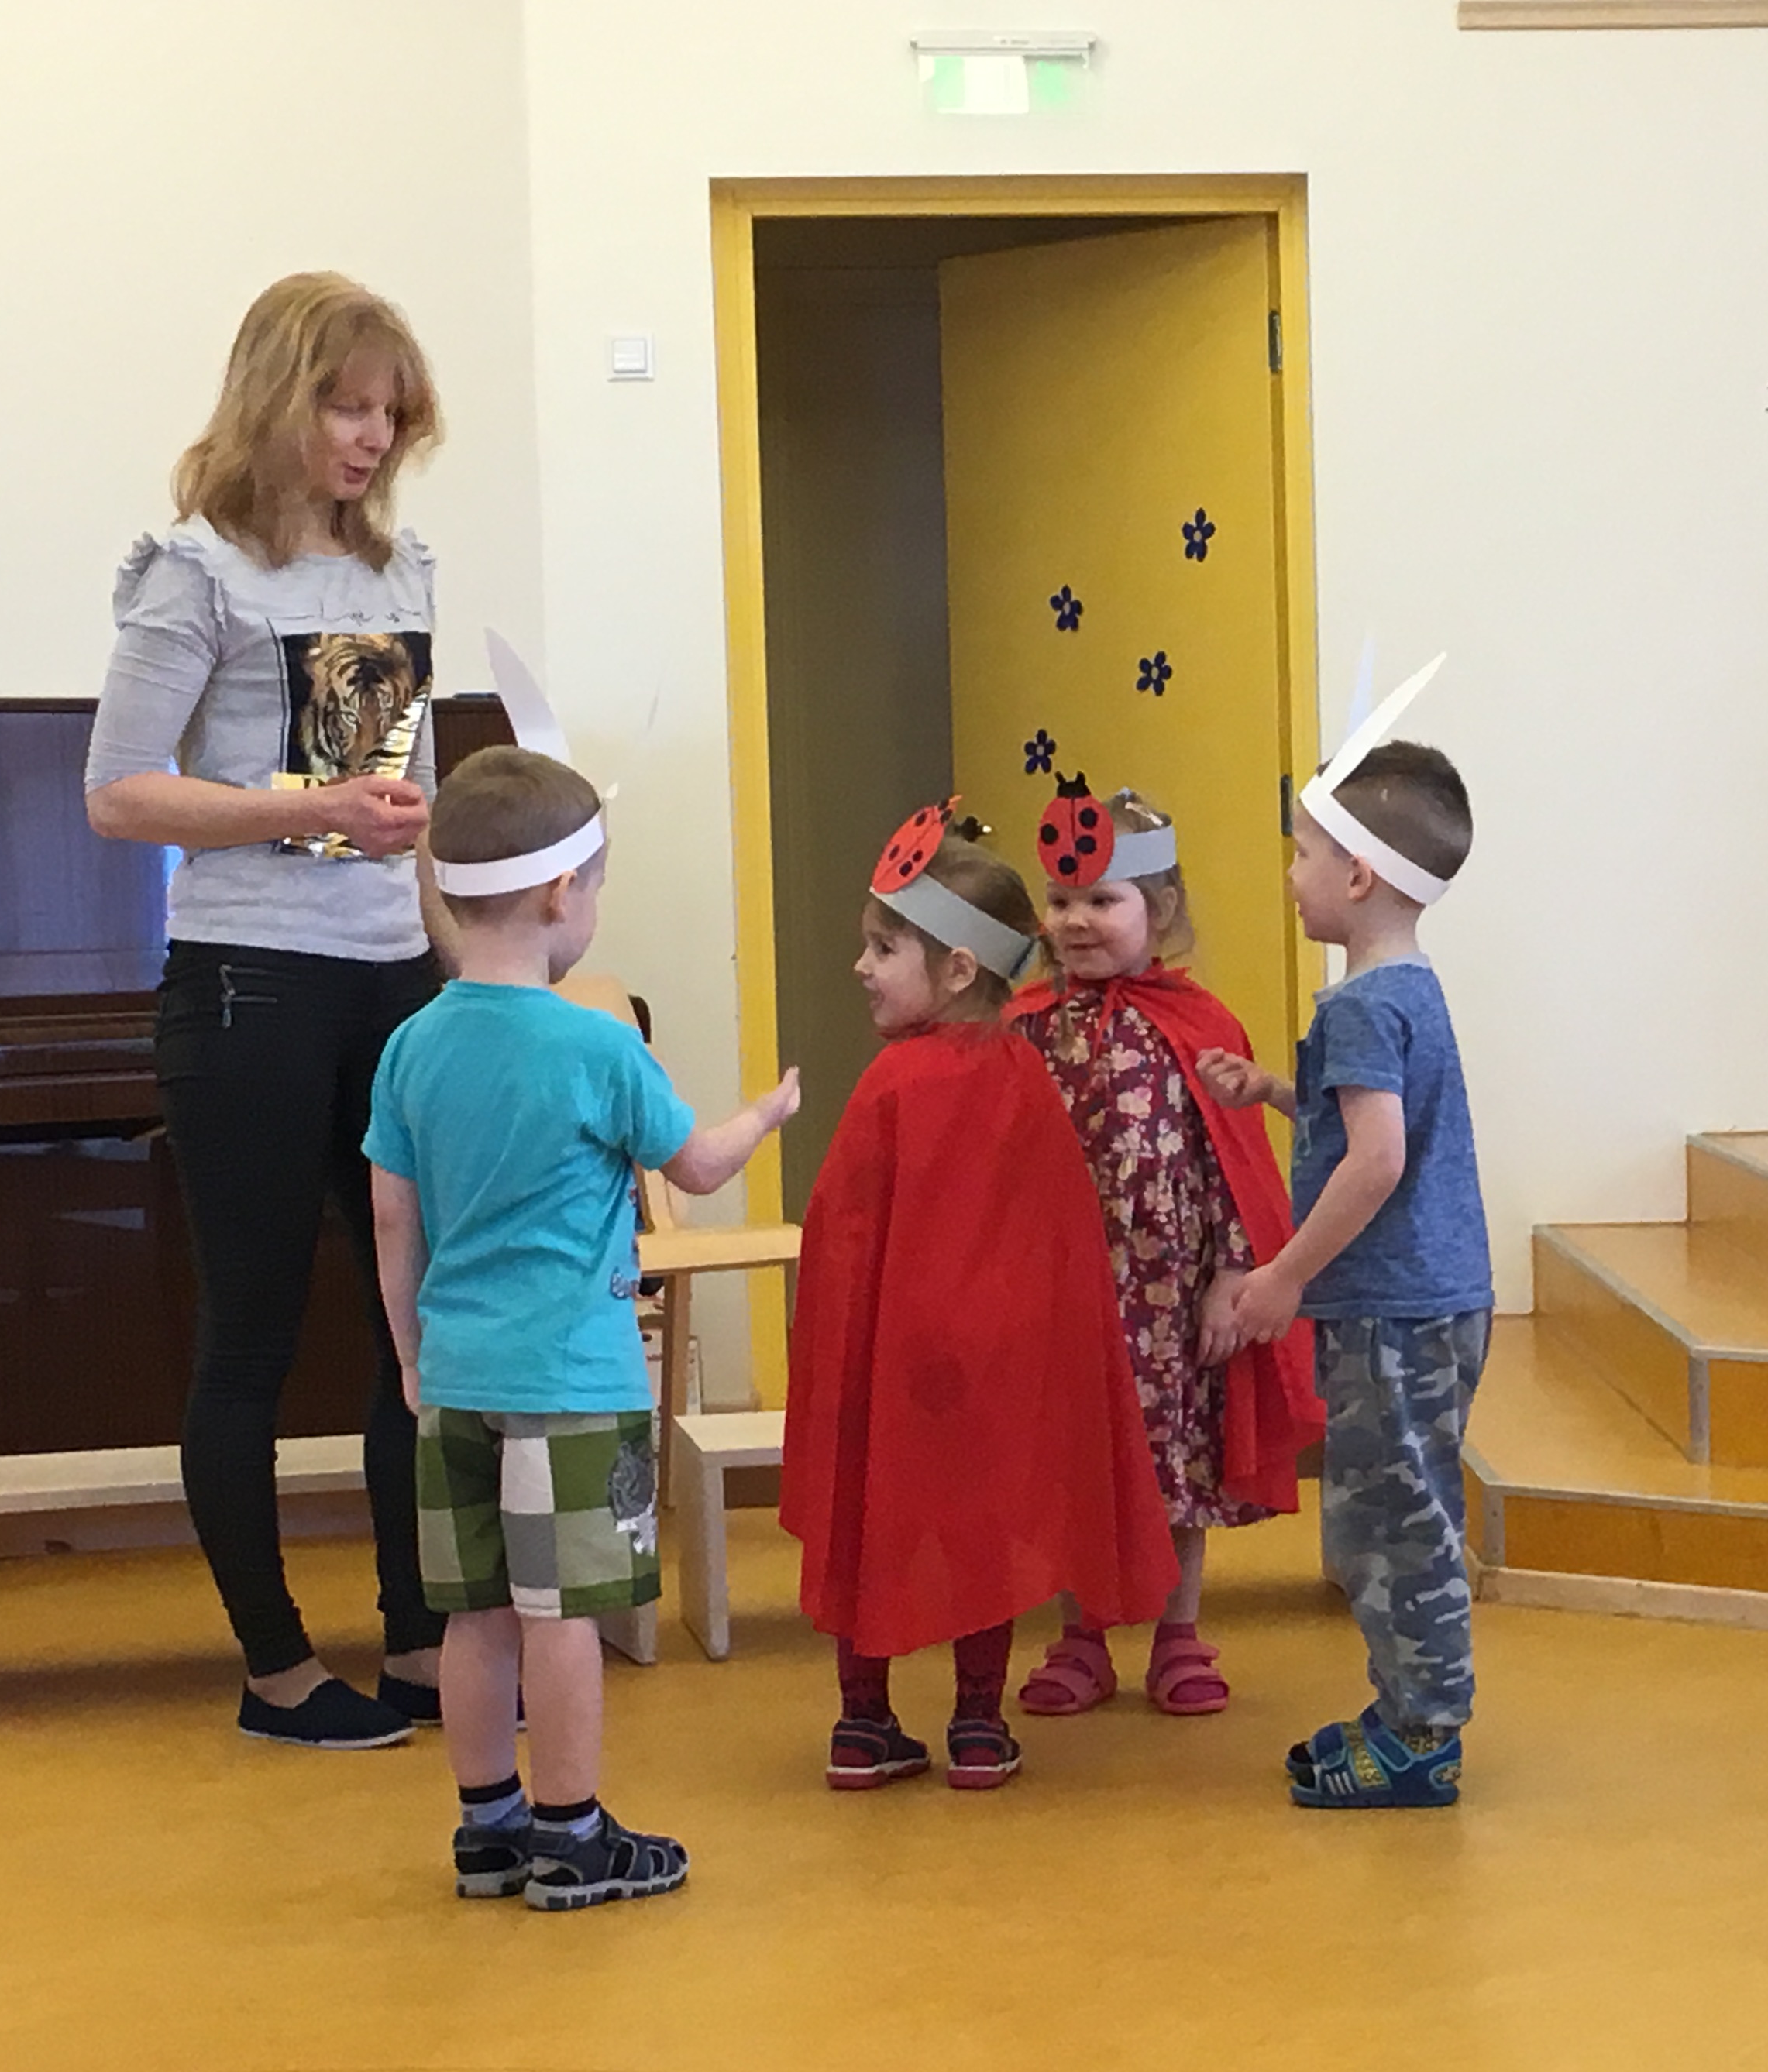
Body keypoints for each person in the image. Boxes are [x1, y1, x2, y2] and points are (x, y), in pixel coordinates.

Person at [84, 273, 453, 1749]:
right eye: (344, 405)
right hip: (248, 978)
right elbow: (120, 793)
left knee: (411, 1315)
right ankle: (279, 1666)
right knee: (251, 1332)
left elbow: (400, 810)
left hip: (392, 976)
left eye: (388, 412)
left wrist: (467, 980)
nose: (370, 436)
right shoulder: (196, 570)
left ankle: (419, 1638)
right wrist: (310, 807)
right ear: (275, 399)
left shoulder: (398, 572)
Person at [365, 747, 800, 1910]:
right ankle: (572, 1833)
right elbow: (695, 1166)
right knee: (562, 1617)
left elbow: (393, 1217)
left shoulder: (412, 1046)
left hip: (455, 1375)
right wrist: (766, 1112)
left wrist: (409, 1355)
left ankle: (488, 1830)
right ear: (564, 894)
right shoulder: (598, 1046)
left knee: (475, 1615)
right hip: (571, 1380)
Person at [781, 811, 1179, 1792]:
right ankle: (977, 1726)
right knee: (984, 1527)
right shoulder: (1023, 1076)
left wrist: (836, 1348)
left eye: (884, 948)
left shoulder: (891, 1082)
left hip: (891, 1357)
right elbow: (1059, 1240)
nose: (861, 967)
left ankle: (863, 1722)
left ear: (959, 969)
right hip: (996, 1363)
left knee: (872, 1518)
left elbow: (840, 1236)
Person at [1199, 742, 1492, 1809]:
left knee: (1394, 1527)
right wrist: (1276, 1090)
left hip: (1393, 1312)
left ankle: (1423, 1737)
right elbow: (1365, 1120)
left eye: (1304, 853)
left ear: (1359, 875)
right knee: (1393, 1513)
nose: (1292, 874)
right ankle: (1408, 1705)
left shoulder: (1361, 1006)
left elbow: (1377, 1160)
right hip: (1430, 1301)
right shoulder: (1402, 989)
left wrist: (1281, 1275)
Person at [1007, 782, 1324, 1720]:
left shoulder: (1198, 1023)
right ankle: (1083, 1636)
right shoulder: (1025, 1025)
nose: (1077, 920)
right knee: (1078, 1465)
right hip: (1065, 1296)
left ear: (1161, 908)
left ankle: (1180, 1635)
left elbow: (1235, 1160)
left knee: (1178, 1464)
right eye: (1062, 901)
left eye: (1102, 901)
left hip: (1171, 1299)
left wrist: (1233, 1274)